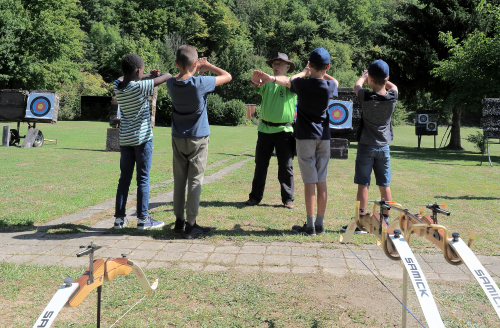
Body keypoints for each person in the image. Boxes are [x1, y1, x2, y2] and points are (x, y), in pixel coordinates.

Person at [167, 45, 232, 239]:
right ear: (195, 63)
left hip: (178, 137)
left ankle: (178, 221)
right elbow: (227, 76)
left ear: (177, 63)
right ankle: (191, 224)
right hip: (198, 137)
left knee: (179, 180)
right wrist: (208, 66)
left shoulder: (171, 83)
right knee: (195, 180)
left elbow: (175, 75)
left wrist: (195, 68)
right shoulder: (200, 83)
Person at [113, 53, 172, 230]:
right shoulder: (140, 88)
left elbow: (124, 77)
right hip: (143, 140)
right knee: (143, 179)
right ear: (138, 71)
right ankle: (143, 219)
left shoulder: (118, 85)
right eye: (142, 71)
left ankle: (119, 220)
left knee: (124, 179)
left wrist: (145, 75)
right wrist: (155, 76)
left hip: (125, 140)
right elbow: (167, 77)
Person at [341, 59, 398, 234]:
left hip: (366, 146)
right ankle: (385, 220)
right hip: (384, 147)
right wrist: (380, 78)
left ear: (371, 79)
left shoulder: (366, 96)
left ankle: (361, 222)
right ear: (386, 77)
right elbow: (393, 86)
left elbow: (357, 85)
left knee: (363, 184)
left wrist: (364, 76)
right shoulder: (392, 96)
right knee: (384, 185)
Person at [287, 47, 339, 236]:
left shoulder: (302, 84)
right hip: (323, 138)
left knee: (309, 181)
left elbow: (292, 79)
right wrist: (324, 72)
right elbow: (336, 82)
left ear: (309, 64)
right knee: (321, 180)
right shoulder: (329, 86)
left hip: (305, 137)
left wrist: (304, 72)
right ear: (327, 66)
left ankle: (309, 226)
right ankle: (320, 224)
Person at [245, 53, 297, 209]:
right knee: (260, 165)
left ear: (287, 67)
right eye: (274, 64)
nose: (276, 66)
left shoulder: (292, 81)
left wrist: (269, 79)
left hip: (284, 130)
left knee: (286, 167)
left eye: (280, 64)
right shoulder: (267, 83)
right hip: (265, 129)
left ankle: (288, 199)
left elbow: (288, 82)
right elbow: (255, 86)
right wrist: (254, 82)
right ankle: (255, 197)